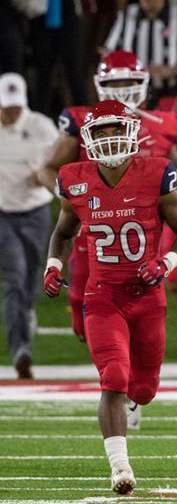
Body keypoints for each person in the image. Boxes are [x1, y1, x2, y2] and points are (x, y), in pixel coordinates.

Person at [46, 100, 177, 494]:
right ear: (88, 139)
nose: (110, 138)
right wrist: (54, 265)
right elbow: (65, 232)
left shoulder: (156, 173)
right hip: (103, 296)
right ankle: (120, 467)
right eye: (101, 131)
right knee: (114, 376)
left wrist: (165, 263)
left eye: (117, 129)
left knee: (144, 388)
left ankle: (134, 404)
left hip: (148, 296)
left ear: (132, 133)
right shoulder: (75, 179)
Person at [0, 73, 58, 378]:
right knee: (15, 278)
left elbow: (58, 163)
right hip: (3, 214)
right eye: (6, 107)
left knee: (32, 278)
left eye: (16, 108)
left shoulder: (42, 128)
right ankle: (21, 349)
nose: (11, 113)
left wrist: (45, 176)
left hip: (35, 210)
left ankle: (27, 311)